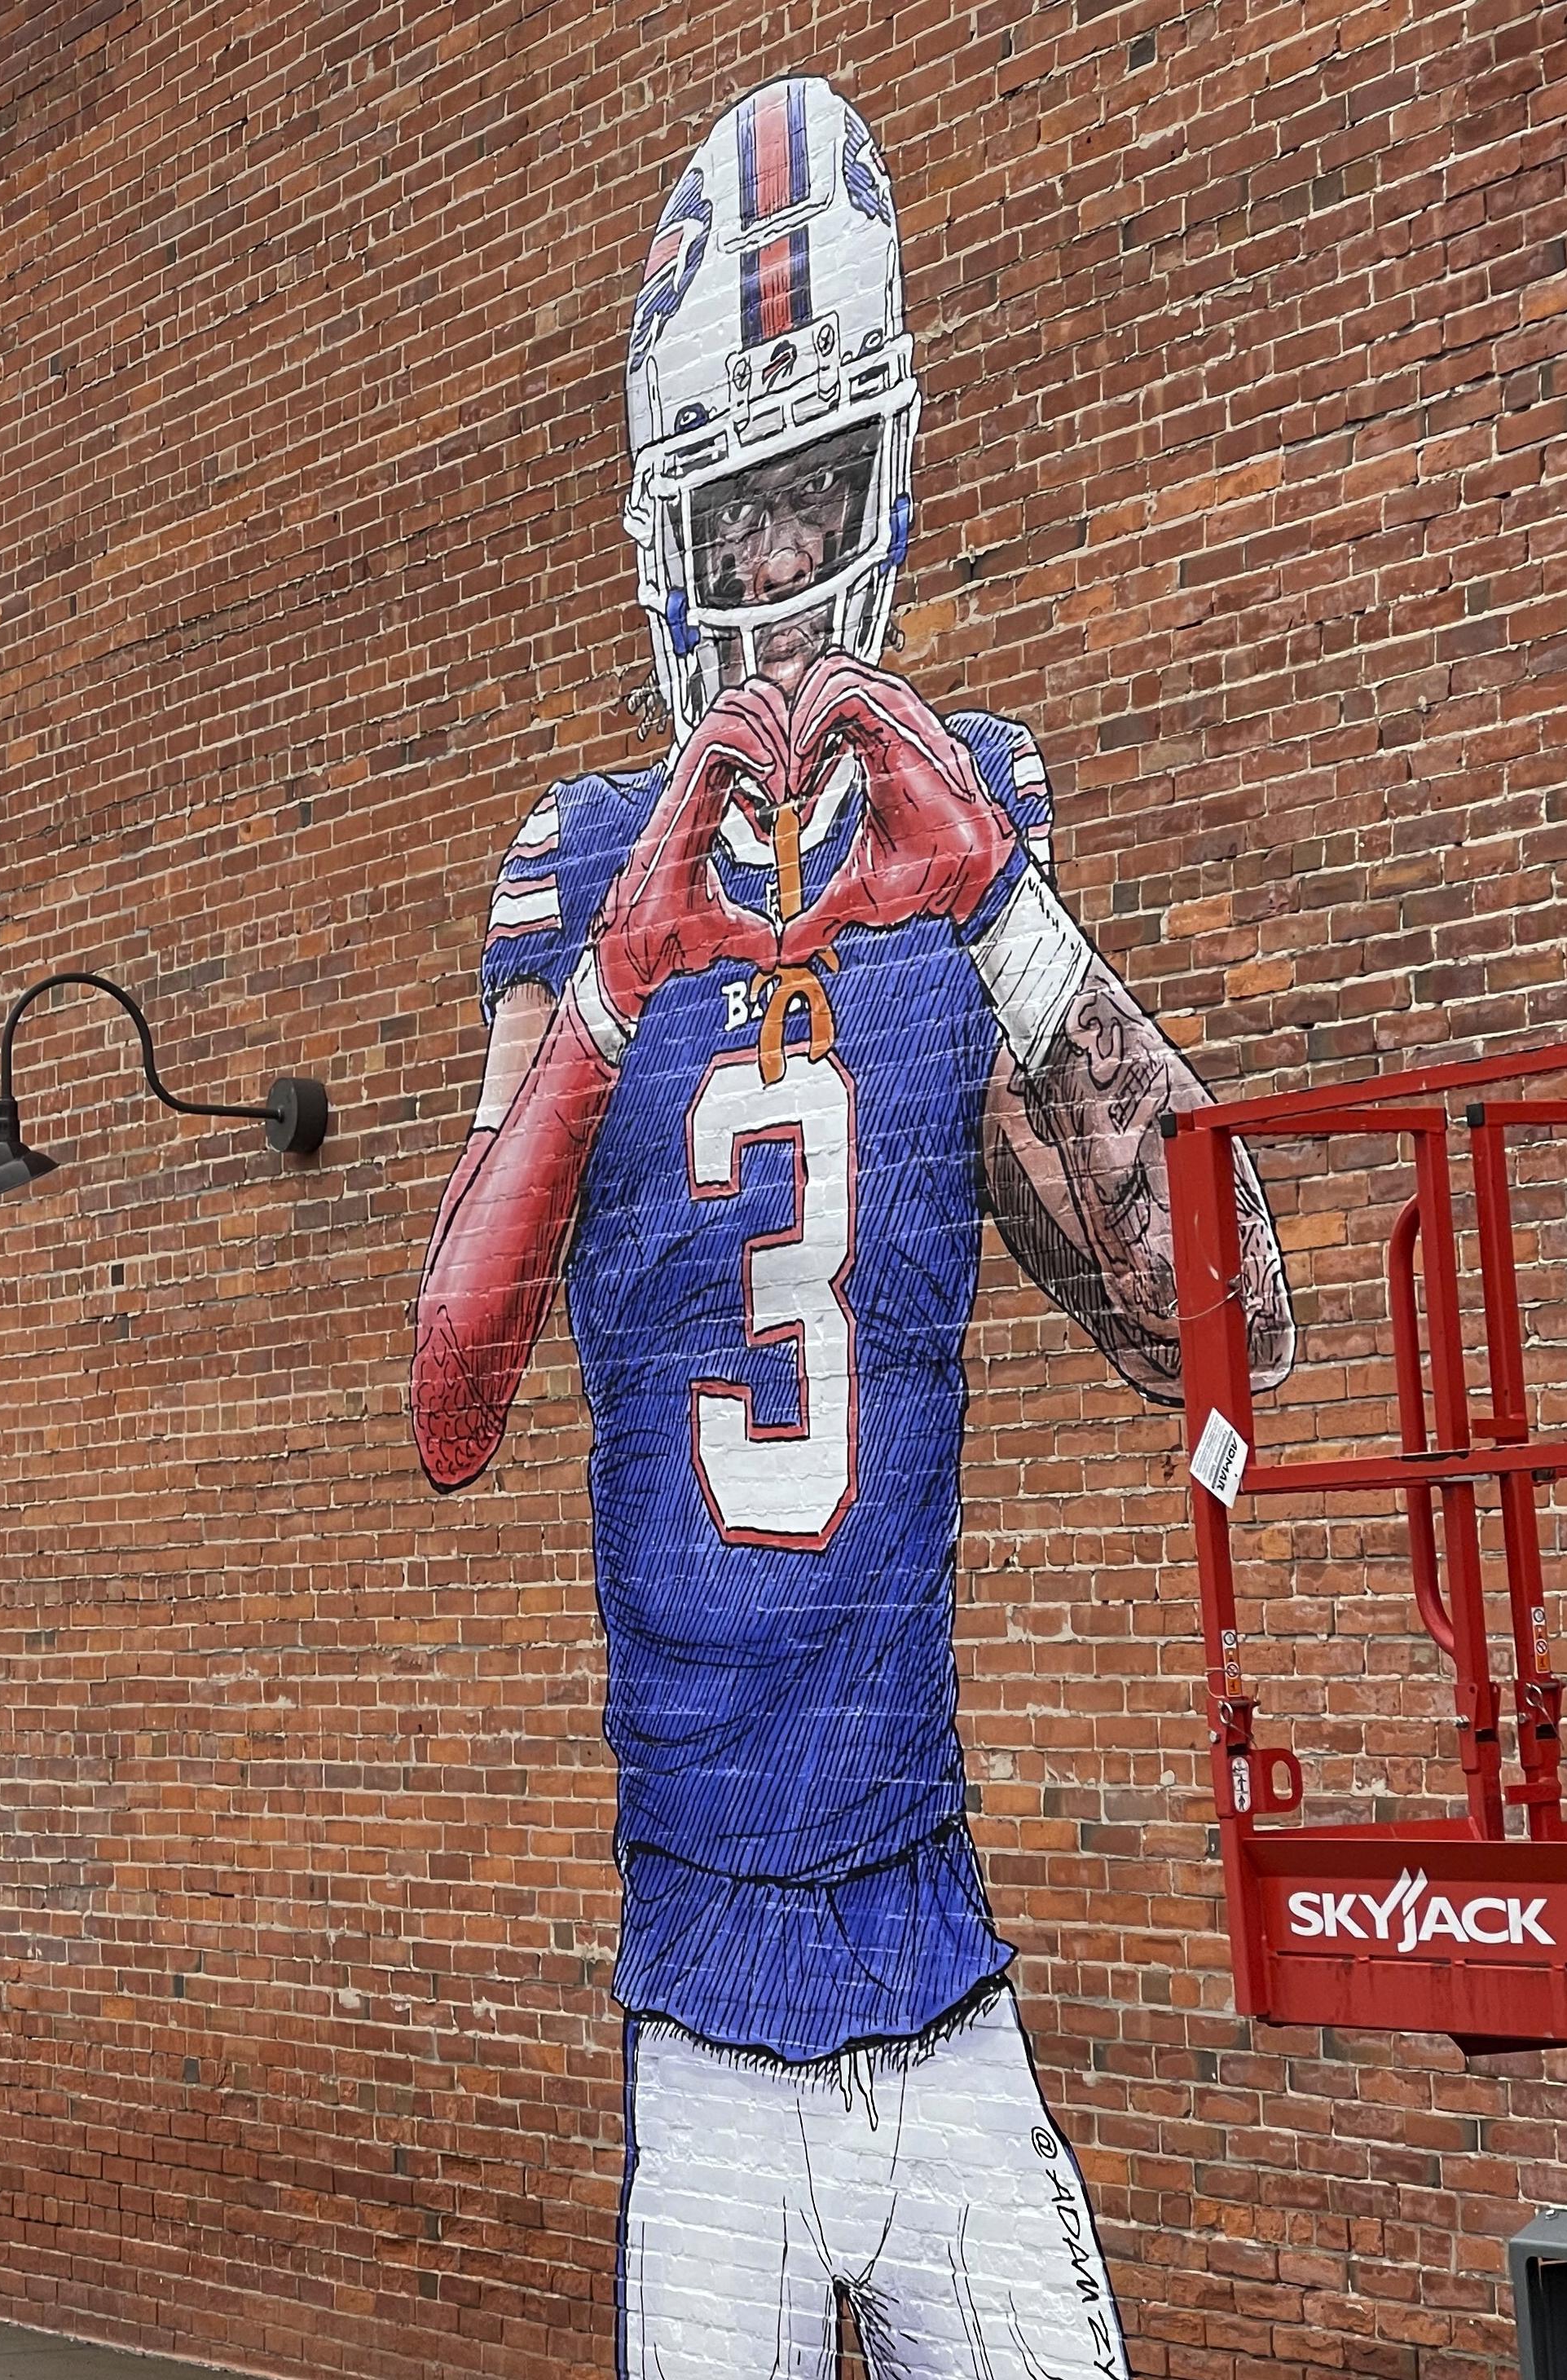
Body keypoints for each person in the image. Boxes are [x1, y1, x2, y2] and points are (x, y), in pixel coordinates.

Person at [407, 75, 1292, 2378]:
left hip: (943, 1964)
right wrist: (614, 975)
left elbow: (1236, 1321)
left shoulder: (963, 817)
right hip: (701, 2006)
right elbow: (449, 1386)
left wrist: (1002, 917)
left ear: (885, 481)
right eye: (739, 503)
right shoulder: (583, 856)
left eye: (816, 497)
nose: (783, 565)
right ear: (659, 516)